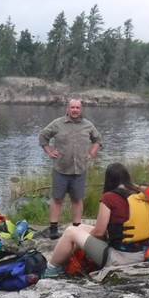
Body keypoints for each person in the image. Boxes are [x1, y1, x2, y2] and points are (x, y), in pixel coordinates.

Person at [45, 162, 147, 275]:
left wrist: (87, 239)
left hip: (119, 258)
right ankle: (66, 260)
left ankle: (51, 269)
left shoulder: (109, 198)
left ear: (109, 179)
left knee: (71, 232)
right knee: (81, 227)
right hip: (141, 253)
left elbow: (99, 232)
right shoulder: (138, 195)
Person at [39, 98, 102, 240]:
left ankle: (77, 227)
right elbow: (43, 137)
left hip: (80, 170)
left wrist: (93, 152)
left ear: (81, 109)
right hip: (60, 169)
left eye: (77, 108)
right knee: (57, 199)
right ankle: (53, 228)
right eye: (72, 107)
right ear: (68, 109)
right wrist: (49, 150)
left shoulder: (88, 125)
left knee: (77, 199)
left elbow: (98, 140)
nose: (75, 110)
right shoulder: (57, 124)